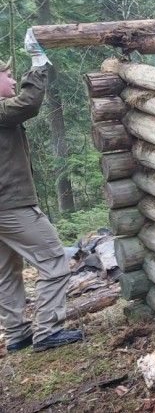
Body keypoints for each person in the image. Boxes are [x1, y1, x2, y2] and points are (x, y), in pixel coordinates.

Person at [1, 30, 84, 354]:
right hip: (11, 205)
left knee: (6, 272)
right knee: (53, 260)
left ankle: (17, 334)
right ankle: (47, 330)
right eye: (6, 75)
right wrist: (37, 63)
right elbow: (28, 104)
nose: (11, 80)